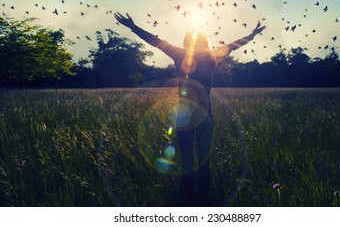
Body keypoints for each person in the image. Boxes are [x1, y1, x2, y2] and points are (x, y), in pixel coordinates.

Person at [114, 12, 266, 206]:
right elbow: (234, 45)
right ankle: (203, 198)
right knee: (203, 159)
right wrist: (252, 35)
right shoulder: (211, 56)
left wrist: (133, 27)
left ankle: (189, 198)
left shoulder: (179, 53)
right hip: (204, 111)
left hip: (185, 112)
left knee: (187, 159)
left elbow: (155, 41)